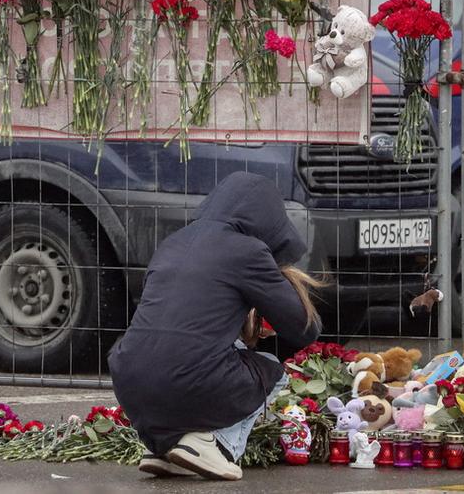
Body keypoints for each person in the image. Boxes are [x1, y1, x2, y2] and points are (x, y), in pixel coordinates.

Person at [108, 171, 324, 481]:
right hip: (186, 380)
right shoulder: (247, 250)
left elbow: (180, 322)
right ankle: (217, 448)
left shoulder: (173, 242)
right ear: (267, 219)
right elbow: (305, 329)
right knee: (271, 370)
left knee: (199, 356)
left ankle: (164, 449)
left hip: (127, 380)